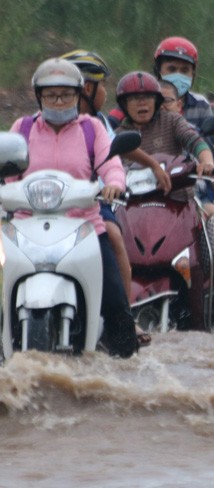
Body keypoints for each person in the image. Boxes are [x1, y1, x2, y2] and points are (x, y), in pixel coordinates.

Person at [115, 71, 214, 328]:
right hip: (134, 212)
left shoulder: (172, 121)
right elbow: (107, 165)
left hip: (182, 206)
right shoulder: (120, 133)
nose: (141, 104)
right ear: (124, 104)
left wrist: (206, 162)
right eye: (134, 99)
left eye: (146, 98)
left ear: (156, 100)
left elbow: (197, 143)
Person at [10, 58, 138, 357]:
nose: (58, 101)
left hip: (84, 228)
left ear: (79, 95)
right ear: (38, 97)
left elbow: (112, 163)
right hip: (25, 226)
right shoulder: (23, 128)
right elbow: (8, 170)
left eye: (66, 94)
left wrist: (115, 183)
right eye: (50, 95)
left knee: (115, 300)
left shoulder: (92, 129)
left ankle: (126, 364)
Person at [61, 49, 172, 347]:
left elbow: (118, 150)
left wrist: (149, 164)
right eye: (103, 86)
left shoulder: (96, 124)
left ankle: (125, 316)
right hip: (47, 208)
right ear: (88, 87)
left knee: (111, 233)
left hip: (89, 204)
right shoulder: (35, 125)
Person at [159, 79, 214, 271]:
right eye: (157, 102)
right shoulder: (140, 135)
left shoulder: (191, 134)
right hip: (154, 204)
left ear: (179, 105)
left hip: (195, 202)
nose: (162, 108)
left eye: (167, 102)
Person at [153, 36, 214, 218]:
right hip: (148, 187)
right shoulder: (143, 104)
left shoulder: (199, 107)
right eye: (172, 69)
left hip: (193, 188)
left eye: (185, 71)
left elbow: (213, 146)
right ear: (158, 70)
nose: (178, 75)